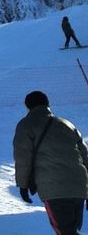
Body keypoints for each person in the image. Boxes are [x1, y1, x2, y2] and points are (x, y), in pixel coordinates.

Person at [13, 90, 88, 235]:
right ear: (48, 104)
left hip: (54, 189)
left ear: (28, 106)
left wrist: (23, 185)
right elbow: (85, 156)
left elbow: (23, 157)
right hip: (79, 186)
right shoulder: (67, 124)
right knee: (72, 230)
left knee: (66, 232)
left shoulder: (26, 125)